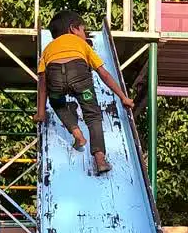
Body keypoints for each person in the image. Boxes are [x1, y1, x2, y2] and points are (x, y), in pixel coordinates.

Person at [34, 10, 135, 175]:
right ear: (73, 29)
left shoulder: (48, 48)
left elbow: (42, 83)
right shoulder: (82, 44)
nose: (85, 33)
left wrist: (40, 113)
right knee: (93, 116)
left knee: (57, 103)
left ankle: (77, 134)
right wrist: (123, 97)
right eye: (83, 30)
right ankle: (100, 158)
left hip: (56, 80)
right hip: (80, 79)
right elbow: (104, 74)